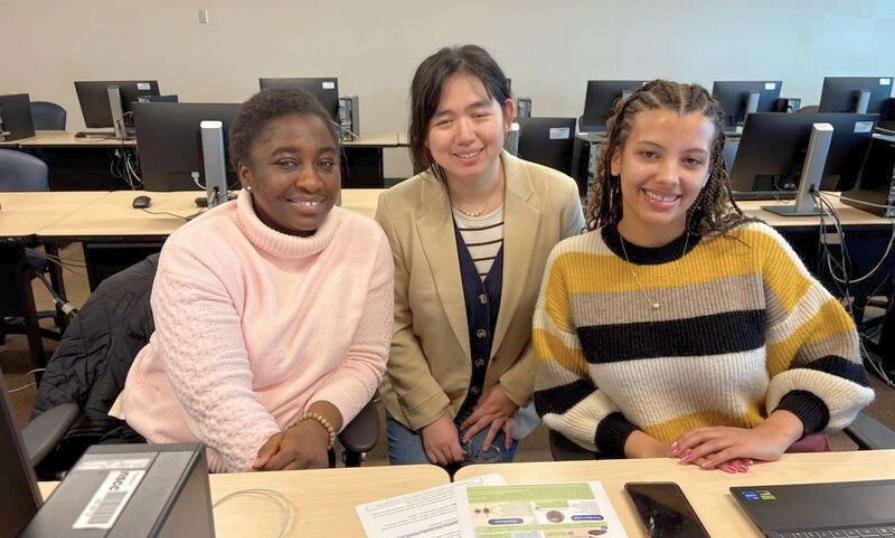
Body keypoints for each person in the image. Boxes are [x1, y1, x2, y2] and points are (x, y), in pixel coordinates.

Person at [532, 79, 874, 473]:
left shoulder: (755, 249)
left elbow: (836, 360)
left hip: (757, 469)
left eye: (691, 160)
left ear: (710, 170)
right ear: (615, 159)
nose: (668, 176)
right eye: (649, 154)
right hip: (643, 472)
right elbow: (561, 390)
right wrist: (653, 452)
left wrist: (772, 433)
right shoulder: (572, 264)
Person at [117, 87, 393, 473]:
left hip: (302, 440)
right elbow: (215, 398)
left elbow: (365, 359)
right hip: (191, 451)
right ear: (247, 174)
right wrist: (277, 469)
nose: (312, 181)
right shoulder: (197, 250)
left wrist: (318, 425)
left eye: (326, 163)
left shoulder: (365, 241)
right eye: (287, 163)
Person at [376, 44, 585, 467]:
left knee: (485, 511)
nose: (464, 134)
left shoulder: (558, 196)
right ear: (423, 132)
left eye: (479, 113)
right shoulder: (396, 208)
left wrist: (512, 392)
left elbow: (567, 315)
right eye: (443, 120)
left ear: (507, 114)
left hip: (507, 400)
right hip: (421, 400)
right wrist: (431, 413)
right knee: (422, 511)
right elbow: (391, 324)